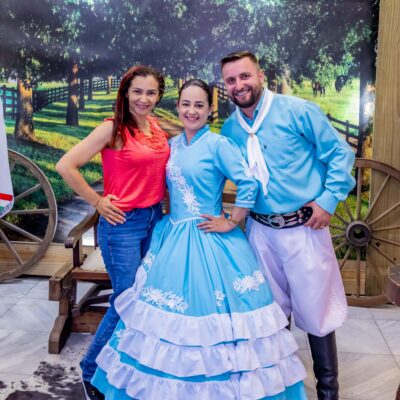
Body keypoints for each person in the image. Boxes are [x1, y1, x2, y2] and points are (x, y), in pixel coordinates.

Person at [90, 79, 308, 399]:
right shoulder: (173, 144)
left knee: (214, 321)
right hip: (172, 237)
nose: (191, 111)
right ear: (177, 107)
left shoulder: (218, 145)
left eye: (199, 105)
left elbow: (248, 182)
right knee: (160, 320)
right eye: (186, 104)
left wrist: (232, 220)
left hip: (208, 238)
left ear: (209, 110)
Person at [219, 50, 356, 400]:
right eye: (231, 80)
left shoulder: (297, 111)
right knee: (269, 313)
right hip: (260, 232)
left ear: (260, 75)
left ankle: (328, 392)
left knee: (316, 311)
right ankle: (280, 388)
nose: (239, 85)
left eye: (245, 76)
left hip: (304, 228)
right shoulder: (231, 129)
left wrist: (327, 200)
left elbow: (340, 154)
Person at [56, 65, 169, 400]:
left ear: (159, 95)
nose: (144, 99)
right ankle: (90, 371)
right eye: (137, 92)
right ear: (125, 93)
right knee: (127, 298)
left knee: (144, 295)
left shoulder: (155, 127)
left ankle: (127, 363)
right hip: (123, 225)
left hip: (154, 220)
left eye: (151, 92)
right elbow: (65, 165)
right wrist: (97, 201)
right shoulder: (112, 128)